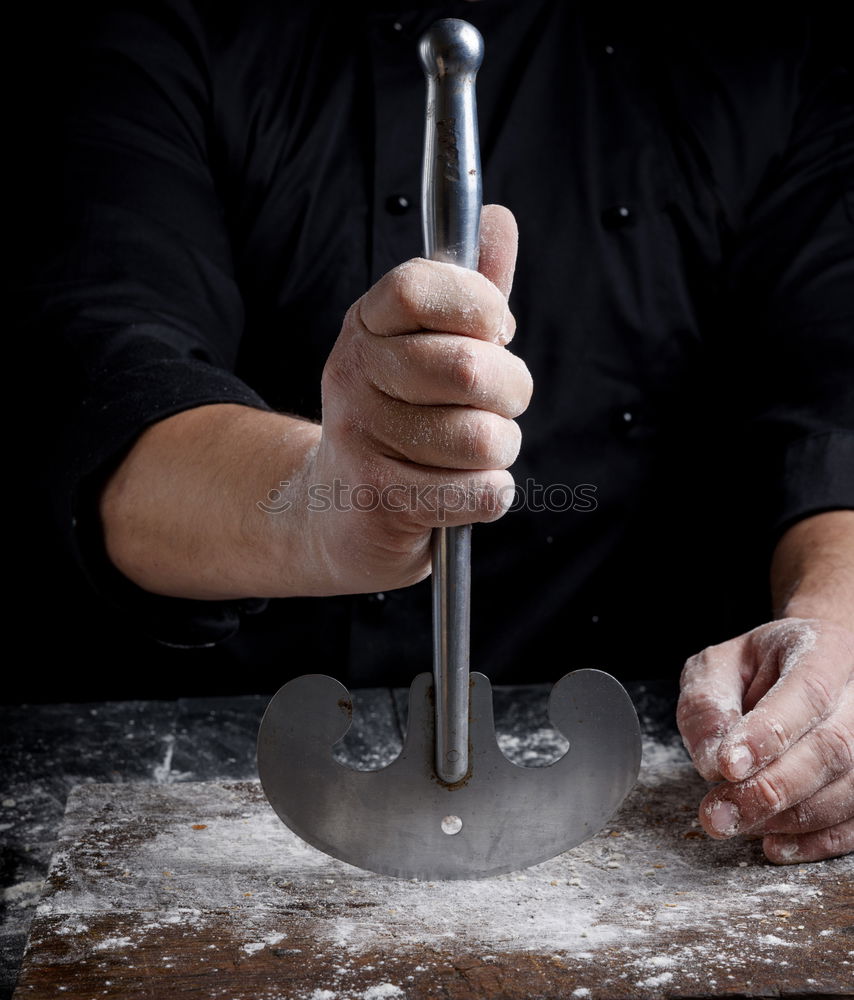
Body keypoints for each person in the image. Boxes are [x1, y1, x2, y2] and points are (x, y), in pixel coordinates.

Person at [22, 1, 853, 865]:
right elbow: (101, 387)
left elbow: (830, 397)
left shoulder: (756, 47)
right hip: (198, 761)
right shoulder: (174, 25)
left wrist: (836, 629)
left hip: (658, 761)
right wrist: (314, 503)